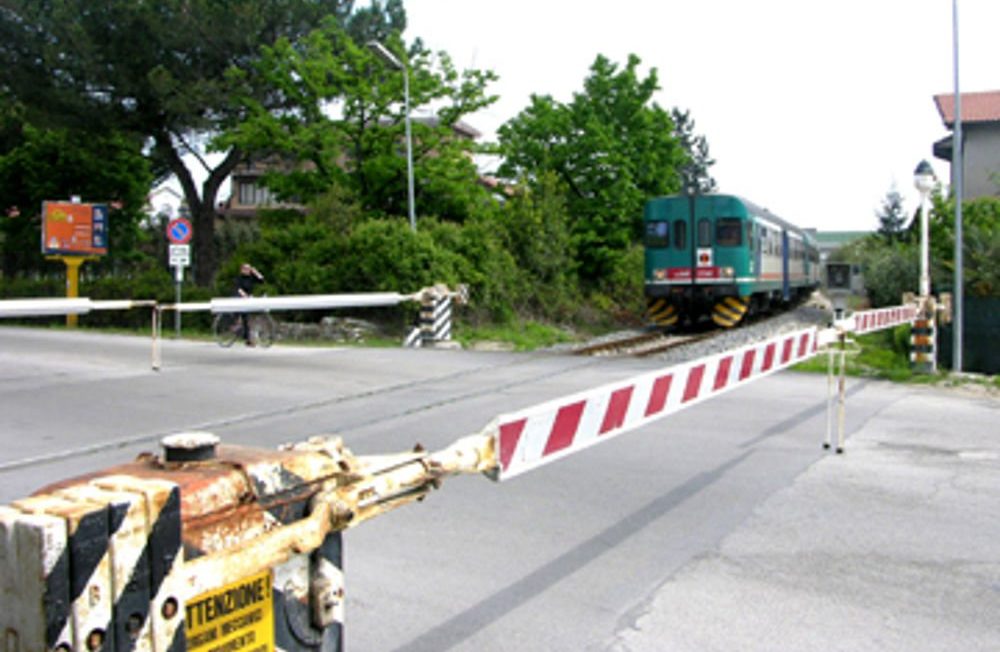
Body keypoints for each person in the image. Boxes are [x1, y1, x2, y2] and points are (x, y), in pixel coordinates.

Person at [235, 263, 264, 345]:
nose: (248, 270)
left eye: (249, 269)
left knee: (248, 317)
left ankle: (247, 335)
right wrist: (244, 295)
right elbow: (238, 288)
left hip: (248, 298)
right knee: (245, 316)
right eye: (246, 269)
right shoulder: (239, 278)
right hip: (240, 297)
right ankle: (247, 338)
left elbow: (262, 280)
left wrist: (256, 272)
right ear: (242, 270)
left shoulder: (251, 277)